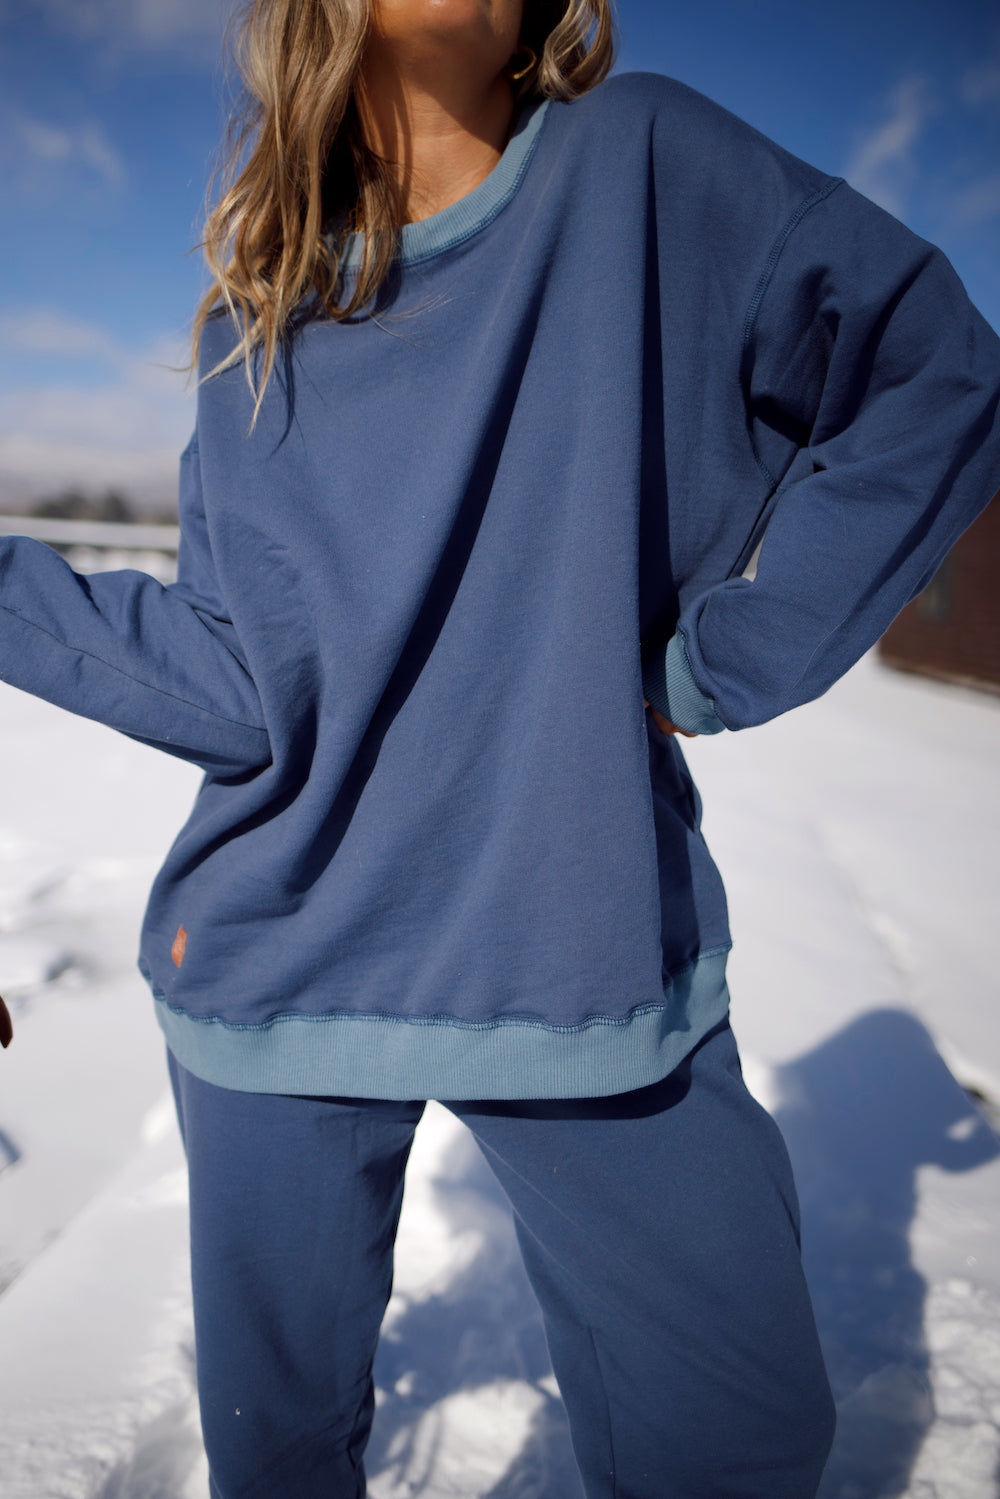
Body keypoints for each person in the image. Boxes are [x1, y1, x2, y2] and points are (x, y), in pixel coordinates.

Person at [3, 1, 1000, 1494]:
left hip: (580, 944)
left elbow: (936, 374)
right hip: (275, 970)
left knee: (737, 1438)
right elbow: (240, 678)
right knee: (280, 1459)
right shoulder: (255, 319)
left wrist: (731, 653)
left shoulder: (649, 167)